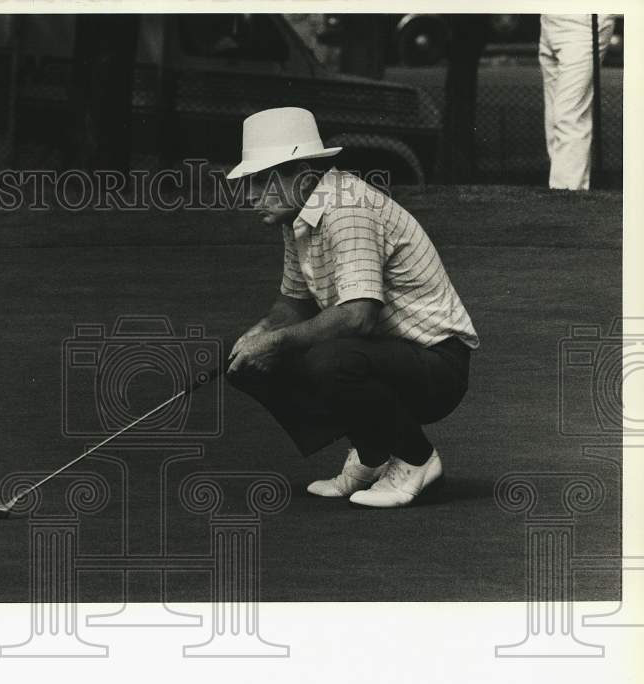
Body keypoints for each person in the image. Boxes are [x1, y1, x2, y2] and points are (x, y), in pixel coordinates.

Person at [224, 107, 479, 508]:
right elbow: (294, 301)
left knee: (329, 359)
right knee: (246, 357)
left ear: (304, 174)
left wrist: (275, 343)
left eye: (261, 181)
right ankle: (373, 455)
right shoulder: (298, 215)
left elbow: (359, 315)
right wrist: (259, 334)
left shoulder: (347, 209)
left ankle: (418, 459)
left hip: (437, 364)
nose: (250, 194)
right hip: (385, 356)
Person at [539, 14, 617, 190]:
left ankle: (567, 201)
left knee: (568, 116)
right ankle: (563, 194)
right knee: (554, 120)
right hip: (549, 21)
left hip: (582, 24)